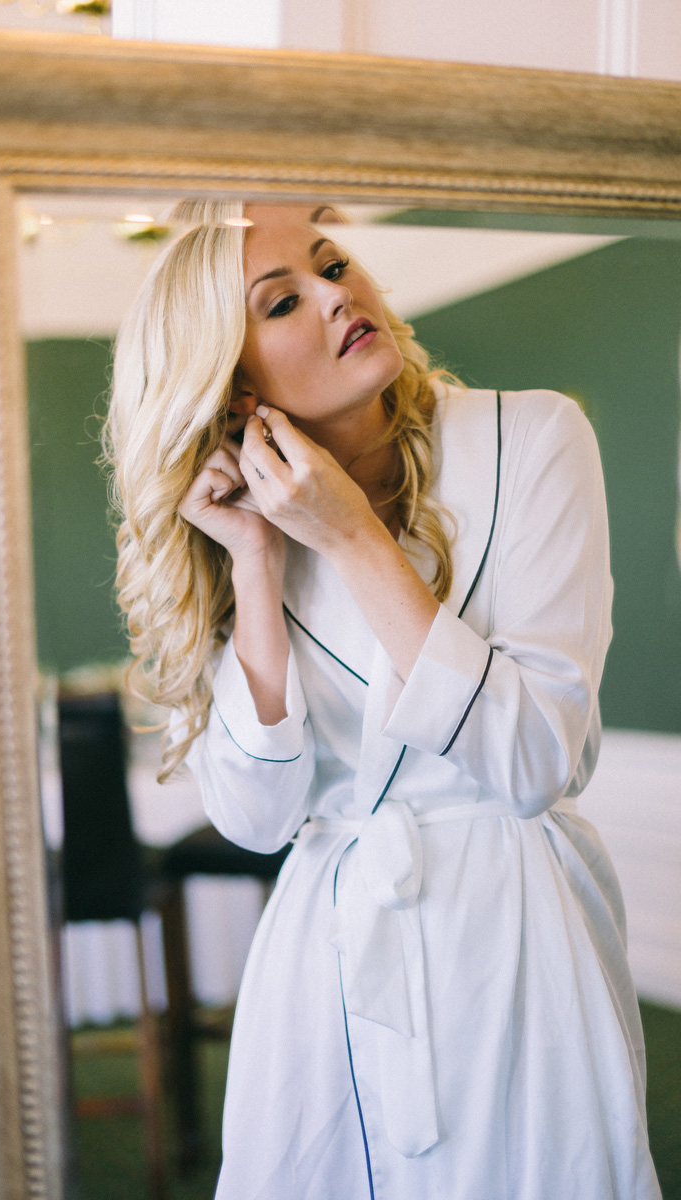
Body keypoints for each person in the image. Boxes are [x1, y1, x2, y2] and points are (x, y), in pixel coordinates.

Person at [104, 200, 661, 1199]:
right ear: (233, 386)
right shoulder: (236, 530)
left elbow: (537, 759)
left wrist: (352, 536)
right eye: (281, 302)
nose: (335, 294)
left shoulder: (532, 437)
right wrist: (255, 563)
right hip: (329, 958)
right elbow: (259, 820)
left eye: (331, 265)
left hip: (517, 929)